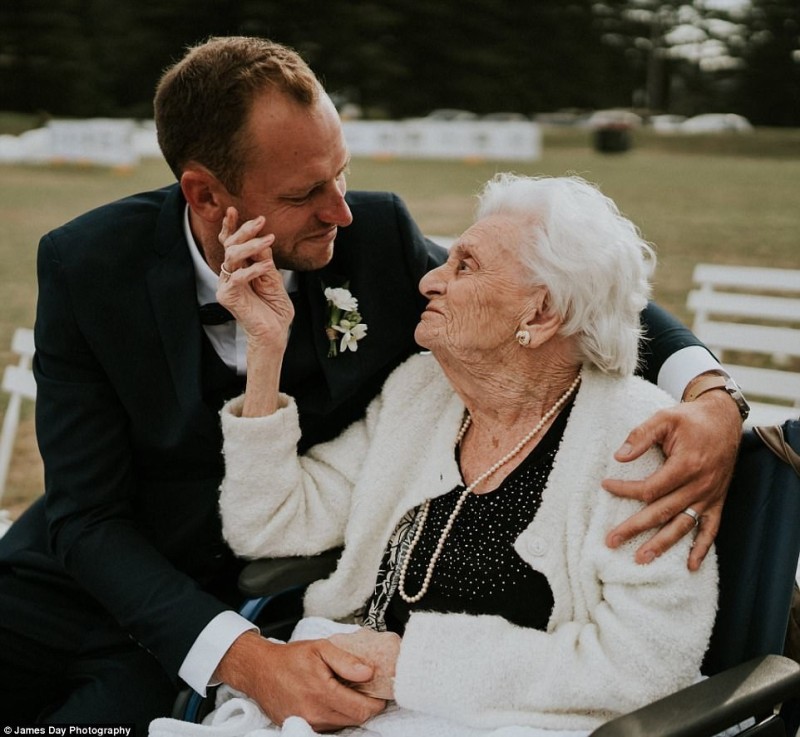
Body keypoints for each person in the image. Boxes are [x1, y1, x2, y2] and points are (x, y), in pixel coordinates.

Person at [0, 36, 738, 729]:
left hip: (207, 618)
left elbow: (578, 287)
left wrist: (710, 394)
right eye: (304, 193)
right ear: (205, 194)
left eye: (342, 172)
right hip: (63, 584)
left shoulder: (372, 238)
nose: (340, 209)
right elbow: (86, 516)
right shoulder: (86, 266)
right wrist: (247, 659)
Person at [177, 173, 719, 735]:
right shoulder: (422, 392)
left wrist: (412, 666)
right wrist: (267, 351)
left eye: (465, 265)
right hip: (348, 706)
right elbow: (266, 524)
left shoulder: (633, 439)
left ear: (539, 314)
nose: (431, 279)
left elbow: (646, 664)